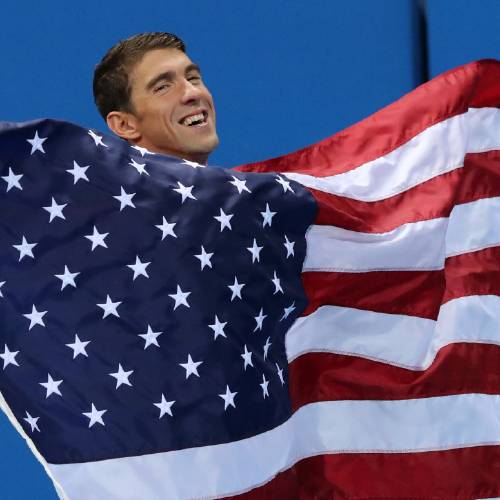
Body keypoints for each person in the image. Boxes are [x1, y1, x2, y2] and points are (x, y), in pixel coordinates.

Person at [93, 32, 219, 165]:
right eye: (163, 87)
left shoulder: (237, 183)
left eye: (192, 78)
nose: (193, 93)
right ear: (125, 125)